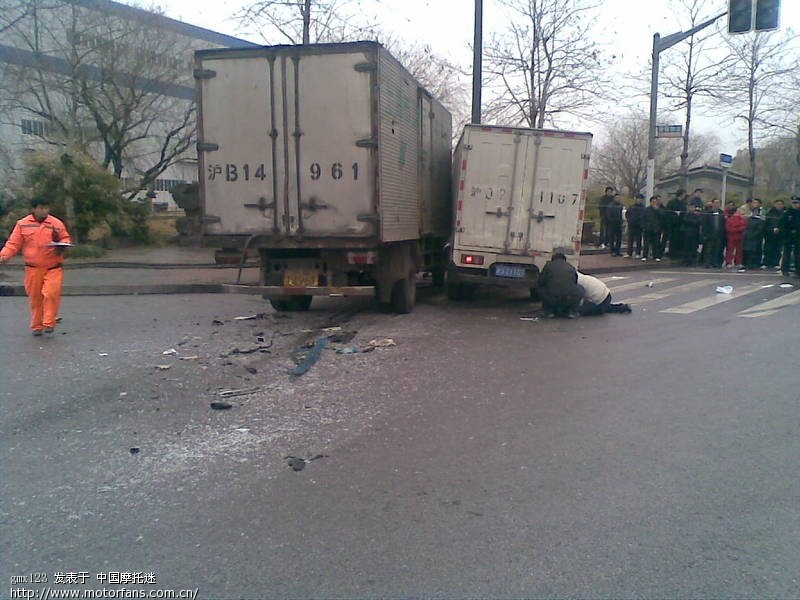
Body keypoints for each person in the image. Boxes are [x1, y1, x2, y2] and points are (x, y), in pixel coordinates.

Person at [0, 196, 72, 335]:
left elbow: (65, 238)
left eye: (46, 208)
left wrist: (63, 245)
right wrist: (3, 256)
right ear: (33, 209)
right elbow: (13, 244)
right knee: (35, 297)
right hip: (33, 268)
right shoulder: (22, 224)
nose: (44, 211)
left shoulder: (56, 223)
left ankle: (49, 322)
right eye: (41, 208)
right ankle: (37, 326)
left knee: (51, 293)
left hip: (53, 266)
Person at [536, 252, 584, 318]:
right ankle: (572, 312)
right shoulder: (571, 267)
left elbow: (540, 281)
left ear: (553, 259)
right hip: (568, 298)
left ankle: (548, 311)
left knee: (541, 288)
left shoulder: (549, 266)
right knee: (580, 288)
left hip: (551, 298)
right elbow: (574, 282)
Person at [702, 198, 726, 268]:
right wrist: (705, 234)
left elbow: (723, 224)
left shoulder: (721, 213)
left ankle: (715, 263)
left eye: (718, 203)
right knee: (708, 250)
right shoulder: (708, 213)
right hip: (710, 234)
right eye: (715, 203)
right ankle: (707, 263)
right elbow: (704, 224)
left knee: (717, 250)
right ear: (712, 204)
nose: (717, 205)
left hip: (719, 235)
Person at [780, 197, 800, 277]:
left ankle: (798, 271)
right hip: (788, 236)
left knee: (798, 254)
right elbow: (782, 224)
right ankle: (785, 270)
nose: (795, 205)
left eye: (797, 203)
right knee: (786, 253)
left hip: (798, 236)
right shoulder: (787, 213)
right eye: (793, 203)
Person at [763, 200, 785, 269]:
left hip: (780, 235)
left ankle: (776, 263)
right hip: (769, 234)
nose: (779, 206)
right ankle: (766, 262)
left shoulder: (784, 214)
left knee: (778, 249)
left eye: (780, 204)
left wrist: (779, 229)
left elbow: (785, 225)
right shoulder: (769, 213)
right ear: (774, 205)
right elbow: (766, 224)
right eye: (777, 204)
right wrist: (772, 229)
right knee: (768, 249)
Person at [680, 202, 703, 267]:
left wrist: (690, 221)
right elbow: (685, 220)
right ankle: (686, 260)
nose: (691, 208)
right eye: (690, 207)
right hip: (687, 233)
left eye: (692, 207)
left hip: (695, 234)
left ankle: (693, 261)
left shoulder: (697, 215)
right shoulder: (686, 214)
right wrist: (691, 221)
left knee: (693, 248)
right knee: (686, 248)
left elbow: (698, 222)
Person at [641, 195, 663, 262]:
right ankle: (645, 256)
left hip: (655, 229)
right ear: (650, 202)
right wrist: (644, 227)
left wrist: (657, 210)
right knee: (646, 243)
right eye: (652, 202)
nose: (654, 203)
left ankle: (656, 256)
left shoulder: (659, 209)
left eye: (655, 202)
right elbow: (642, 218)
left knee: (656, 243)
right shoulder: (646, 209)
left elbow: (662, 217)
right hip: (647, 229)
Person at [625, 193, 645, 258]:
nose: (639, 200)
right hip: (631, 225)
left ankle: (638, 253)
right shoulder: (631, 207)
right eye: (638, 199)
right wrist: (629, 220)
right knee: (630, 240)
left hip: (639, 226)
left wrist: (641, 223)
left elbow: (644, 217)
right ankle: (629, 253)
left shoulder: (643, 208)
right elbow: (627, 214)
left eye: (640, 199)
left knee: (638, 240)